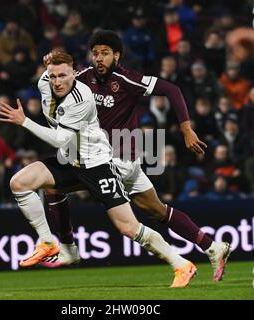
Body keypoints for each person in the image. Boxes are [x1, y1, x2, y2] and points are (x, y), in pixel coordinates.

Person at [40, 31, 231, 282]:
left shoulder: (127, 80)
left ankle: (68, 249)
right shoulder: (83, 78)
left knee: (53, 184)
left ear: (116, 56)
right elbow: (57, 84)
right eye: (95, 52)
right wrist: (49, 69)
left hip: (114, 160)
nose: (99, 58)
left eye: (105, 53)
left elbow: (171, 90)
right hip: (119, 160)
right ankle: (213, 246)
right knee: (157, 210)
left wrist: (186, 128)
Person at [0, 51, 196, 288]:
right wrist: (48, 60)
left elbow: (61, 139)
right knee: (19, 182)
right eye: (53, 76)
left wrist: (25, 122)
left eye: (63, 75)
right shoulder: (45, 83)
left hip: (96, 164)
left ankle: (181, 264)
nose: (57, 81)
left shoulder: (82, 99)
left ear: (75, 73)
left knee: (127, 227)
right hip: (71, 160)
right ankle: (49, 243)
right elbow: (63, 139)